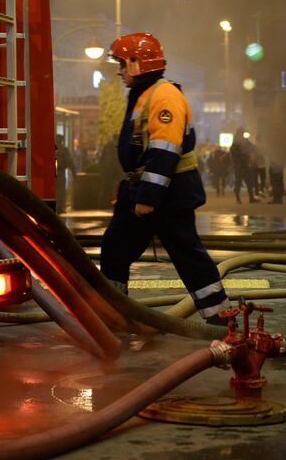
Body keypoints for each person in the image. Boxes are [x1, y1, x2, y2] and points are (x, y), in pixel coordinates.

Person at [99, 32, 232, 325]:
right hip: (145, 191)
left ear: (137, 63)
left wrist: (148, 198)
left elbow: (164, 152)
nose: (120, 71)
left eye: (122, 64)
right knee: (115, 250)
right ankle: (111, 312)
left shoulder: (164, 95)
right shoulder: (144, 94)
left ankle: (222, 318)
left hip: (166, 195)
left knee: (187, 255)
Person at [230, 127, 258, 204]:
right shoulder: (235, 143)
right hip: (239, 166)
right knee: (238, 183)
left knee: (249, 182)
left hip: (245, 165)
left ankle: (251, 198)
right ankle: (238, 199)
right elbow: (235, 155)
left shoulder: (244, 141)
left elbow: (252, 147)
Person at [54, 134, 73, 213]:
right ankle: (60, 207)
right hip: (60, 173)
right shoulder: (64, 150)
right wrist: (73, 172)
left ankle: (58, 207)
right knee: (61, 191)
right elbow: (69, 161)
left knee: (57, 190)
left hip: (56, 173)